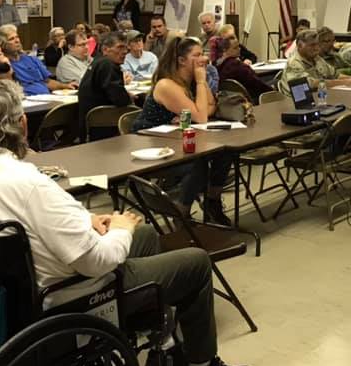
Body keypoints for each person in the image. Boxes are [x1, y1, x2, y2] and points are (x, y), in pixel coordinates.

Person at [0, 79, 254, 366]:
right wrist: (118, 228)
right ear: (22, 125)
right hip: (70, 297)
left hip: (8, 297)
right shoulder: (28, 183)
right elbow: (97, 261)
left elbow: (33, 222)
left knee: (145, 235)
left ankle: (165, 343)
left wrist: (86, 219)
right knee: (195, 262)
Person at [132, 37, 233, 225]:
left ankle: (212, 201)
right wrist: (202, 83)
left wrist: (198, 107)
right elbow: (202, 116)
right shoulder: (167, 85)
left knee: (225, 152)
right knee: (197, 164)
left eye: (202, 53)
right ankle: (181, 214)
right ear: (181, 60)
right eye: (196, 55)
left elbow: (211, 106)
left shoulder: (191, 81)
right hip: (153, 144)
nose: (203, 59)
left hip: (179, 138)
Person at [78, 31, 133, 140]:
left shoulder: (98, 62)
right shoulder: (108, 65)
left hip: (90, 127)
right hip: (103, 129)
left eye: (126, 48)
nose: (125, 52)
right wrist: (128, 97)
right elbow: (120, 100)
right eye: (120, 47)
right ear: (105, 49)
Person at [279, 30, 351, 94]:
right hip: (295, 102)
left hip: (319, 96)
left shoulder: (317, 58)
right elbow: (312, 84)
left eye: (317, 44)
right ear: (300, 46)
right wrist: (345, 82)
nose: (316, 48)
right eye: (312, 45)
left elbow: (334, 74)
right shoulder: (294, 63)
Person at [0, 24, 72, 96]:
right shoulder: (5, 65)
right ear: (3, 44)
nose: (17, 40)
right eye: (11, 39)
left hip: (47, 98)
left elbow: (48, 82)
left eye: (17, 37)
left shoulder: (32, 59)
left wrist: (65, 86)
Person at [214, 29, 272, 102]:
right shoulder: (237, 65)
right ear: (225, 50)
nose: (239, 49)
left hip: (232, 100)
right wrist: (273, 91)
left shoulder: (219, 66)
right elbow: (257, 84)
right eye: (235, 48)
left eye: (238, 47)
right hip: (253, 97)